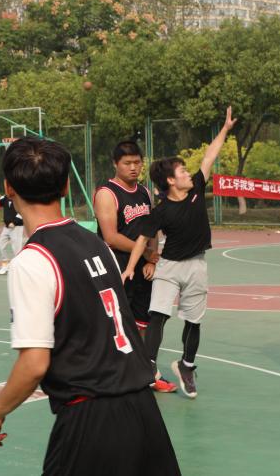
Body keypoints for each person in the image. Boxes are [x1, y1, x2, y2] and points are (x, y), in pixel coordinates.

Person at [0, 137, 180, 475]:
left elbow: (34, 363)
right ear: (66, 186)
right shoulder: (98, 245)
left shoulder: (32, 260)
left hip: (90, 418)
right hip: (144, 411)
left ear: (8, 188)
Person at [128, 109, 236, 399]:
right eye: (183, 172)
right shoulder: (162, 211)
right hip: (169, 267)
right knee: (158, 315)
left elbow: (209, 156)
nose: (189, 173)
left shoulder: (197, 188)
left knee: (193, 320)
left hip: (196, 265)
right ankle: (149, 366)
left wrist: (225, 129)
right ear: (171, 181)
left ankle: (186, 366)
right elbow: (142, 238)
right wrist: (130, 267)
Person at [94, 140, 177, 394]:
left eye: (137, 162)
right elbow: (111, 237)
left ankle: (147, 372)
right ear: (115, 164)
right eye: (127, 163)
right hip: (117, 267)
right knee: (117, 325)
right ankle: (113, 373)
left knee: (145, 322)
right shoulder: (107, 193)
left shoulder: (144, 192)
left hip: (143, 268)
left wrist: (150, 258)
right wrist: (146, 253)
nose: (133, 167)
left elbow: (152, 228)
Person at [0, 191, 24, 275]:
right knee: (0, 244)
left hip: (17, 227)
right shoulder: (5, 197)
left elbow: (22, 211)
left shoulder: (20, 198)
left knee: (16, 249)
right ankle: (5, 265)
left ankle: (19, 269)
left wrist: (14, 222)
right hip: (6, 227)